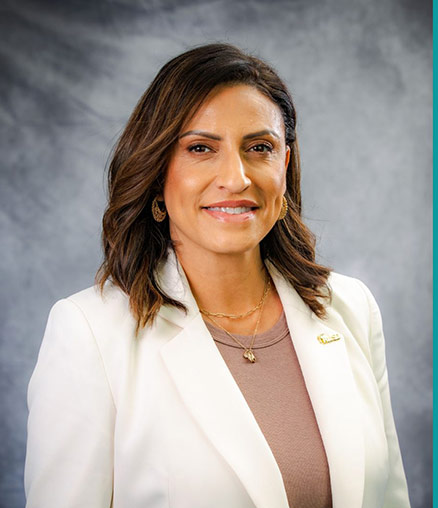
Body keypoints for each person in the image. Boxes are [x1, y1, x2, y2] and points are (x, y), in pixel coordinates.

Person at [24, 44, 410, 508]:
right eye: (201, 148)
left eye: (259, 148)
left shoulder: (350, 308)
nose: (237, 177)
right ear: (157, 171)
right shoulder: (89, 335)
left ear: (284, 165)